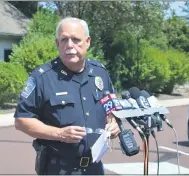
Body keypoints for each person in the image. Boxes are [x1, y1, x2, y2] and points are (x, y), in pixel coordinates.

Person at [14, 17, 120, 175]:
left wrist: (113, 123)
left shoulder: (100, 72)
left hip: (95, 168)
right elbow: (21, 121)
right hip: (59, 169)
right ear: (57, 44)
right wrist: (60, 134)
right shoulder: (42, 77)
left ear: (87, 41)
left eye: (76, 39)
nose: (69, 45)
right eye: (64, 40)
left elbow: (110, 107)